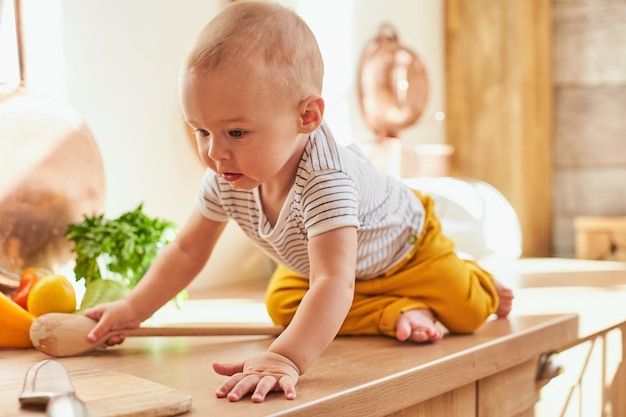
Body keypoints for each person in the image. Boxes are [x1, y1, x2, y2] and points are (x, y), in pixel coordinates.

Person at [84, 0, 514, 404]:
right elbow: (187, 249)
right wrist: (132, 308)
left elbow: (332, 282)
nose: (214, 152)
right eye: (201, 131)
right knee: (283, 307)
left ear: (306, 117)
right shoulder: (226, 174)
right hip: (338, 272)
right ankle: (395, 312)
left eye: (235, 133)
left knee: (467, 312)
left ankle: (474, 276)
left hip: (407, 251)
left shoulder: (324, 180)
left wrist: (284, 358)